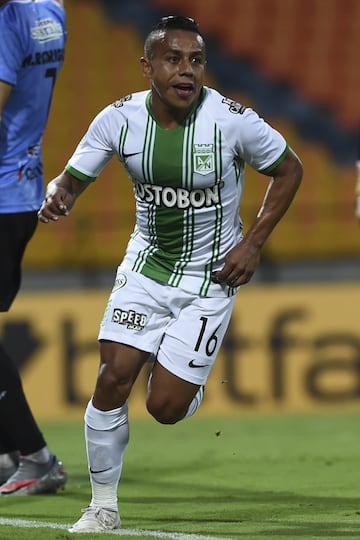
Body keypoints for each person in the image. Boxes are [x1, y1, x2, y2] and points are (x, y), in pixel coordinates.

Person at [38, 15, 303, 531]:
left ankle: (184, 381)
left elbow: (290, 168)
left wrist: (252, 244)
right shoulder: (117, 119)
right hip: (146, 268)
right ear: (147, 67)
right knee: (112, 379)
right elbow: (71, 179)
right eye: (174, 59)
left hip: (211, 279)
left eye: (197, 60)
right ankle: (102, 507)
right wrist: (59, 195)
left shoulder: (232, 120)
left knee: (165, 406)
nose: (187, 70)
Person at [0, 0, 67, 495]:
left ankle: (36, 456)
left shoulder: (3, 25)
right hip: (21, 193)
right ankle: (8, 451)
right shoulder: (49, 10)